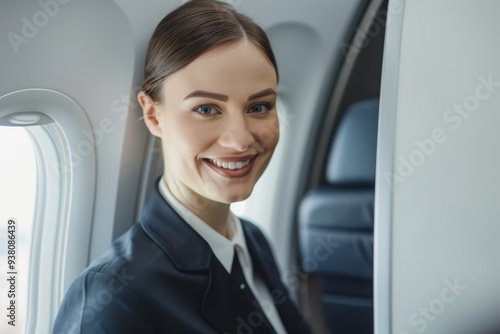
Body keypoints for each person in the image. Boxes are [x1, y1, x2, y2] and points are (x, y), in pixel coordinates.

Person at [52, 0, 313, 333]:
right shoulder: (113, 296)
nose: (240, 140)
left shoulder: (251, 240)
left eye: (259, 106)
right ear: (152, 114)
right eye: (206, 109)